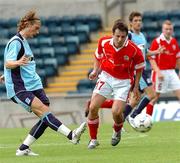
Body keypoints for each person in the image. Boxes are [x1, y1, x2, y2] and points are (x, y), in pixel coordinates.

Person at [3, 10, 86, 156]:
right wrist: (14, 65)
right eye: (36, 28)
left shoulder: (23, 42)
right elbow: (8, 62)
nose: (37, 32)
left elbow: (14, 65)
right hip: (21, 88)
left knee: (45, 115)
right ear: (27, 25)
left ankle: (23, 148)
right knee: (44, 111)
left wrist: (8, 72)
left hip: (33, 85)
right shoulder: (16, 42)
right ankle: (71, 135)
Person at [85, 11, 164, 128]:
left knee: (132, 101)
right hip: (133, 72)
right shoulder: (129, 36)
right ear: (131, 23)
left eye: (140, 20)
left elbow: (144, 52)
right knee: (150, 94)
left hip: (141, 69)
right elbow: (121, 51)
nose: (138, 23)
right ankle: (131, 116)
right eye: (135, 21)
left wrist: (156, 52)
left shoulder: (141, 36)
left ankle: (122, 118)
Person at [87, 19, 145, 149]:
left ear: (126, 36)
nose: (119, 39)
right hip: (106, 77)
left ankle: (117, 130)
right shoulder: (104, 42)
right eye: (117, 36)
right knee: (92, 107)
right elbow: (97, 55)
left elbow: (139, 68)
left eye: (123, 37)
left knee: (116, 113)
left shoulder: (134, 50)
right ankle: (93, 139)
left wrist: (135, 88)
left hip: (124, 82)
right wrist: (95, 70)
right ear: (112, 34)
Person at [146, 20, 180, 114]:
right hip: (160, 72)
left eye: (170, 29)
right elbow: (151, 58)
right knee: (154, 97)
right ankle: (146, 118)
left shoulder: (173, 41)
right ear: (162, 30)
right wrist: (158, 71)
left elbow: (177, 58)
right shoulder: (157, 42)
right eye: (166, 29)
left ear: (172, 30)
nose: (168, 31)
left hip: (172, 72)